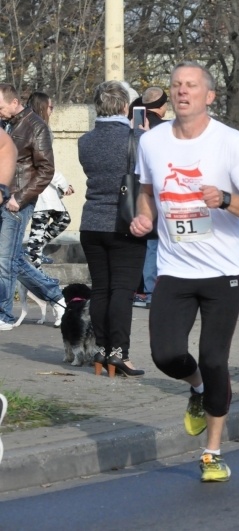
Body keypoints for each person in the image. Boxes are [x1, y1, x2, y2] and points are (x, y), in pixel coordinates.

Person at [131, 61, 239, 482]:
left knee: (214, 358)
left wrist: (225, 199)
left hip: (222, 270)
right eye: (176, 86)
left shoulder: (228, 141)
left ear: (209, 96)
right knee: (165, 354)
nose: (182, 92)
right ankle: (197, 388)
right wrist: (143, 217)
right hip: (174, 268)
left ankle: (211, 452)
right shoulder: (151, 142)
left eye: (191, 86)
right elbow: (147, 191)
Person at [78, 81, 148, 377]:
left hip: (91, 222)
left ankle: (100, 351)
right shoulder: (137, 138)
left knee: (101, 288)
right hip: (125, 222)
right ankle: (119, 353)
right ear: (124, 107)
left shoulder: (85, 141)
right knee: (123, 290)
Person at [0, 83, 65, 331]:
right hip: (3, 196)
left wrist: (21, 197)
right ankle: (55, 295)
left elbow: (46, 169)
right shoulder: (5, 123)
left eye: (1, 107)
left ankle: (4, 315)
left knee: (6, 259)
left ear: (15, 102)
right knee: (12, 258)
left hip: (17, 201)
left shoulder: (35, 126)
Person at [25, 92, 73, 268]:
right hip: (39, 188)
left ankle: (34, 252)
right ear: (43, 107)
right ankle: (34, 266)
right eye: (50, 107)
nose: (52, 110)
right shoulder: (39, 130)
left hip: (42, 187)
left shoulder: (34, 127)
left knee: (62, 219)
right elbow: (45, 164)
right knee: (39, 228)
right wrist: (63, 184)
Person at [131, 86, 169, 309]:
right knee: (155, 242)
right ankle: (150, 290)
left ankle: (141, 290)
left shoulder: (134, 122)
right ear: (161, 105)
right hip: (155, 191)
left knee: (142, 241)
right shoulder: (164, 129)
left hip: (133, 190)